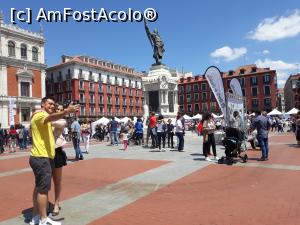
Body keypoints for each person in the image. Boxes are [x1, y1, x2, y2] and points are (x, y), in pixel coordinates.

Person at [29, 97, 79, 225]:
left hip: (43, 156)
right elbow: (50, 118)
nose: (52, 106)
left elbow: (57, 122)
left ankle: (36, 216)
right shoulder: (41, 115)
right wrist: (66, 111)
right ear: (42, 105)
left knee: (40, 187)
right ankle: (43, 219)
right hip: (42, 157)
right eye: (49, 104)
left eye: (53, 104)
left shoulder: (39, 115)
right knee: (43, 189)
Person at [51, 104, 68, 217]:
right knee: (45, 181)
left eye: (61, 110)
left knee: (57, 181)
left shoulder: (61, 121)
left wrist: (45, 119)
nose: (59, 111)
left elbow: (57, 123)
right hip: (46, 152)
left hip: (57, 152)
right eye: (57, 109)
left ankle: (56, 203)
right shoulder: (49, 118)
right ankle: (45, 203)